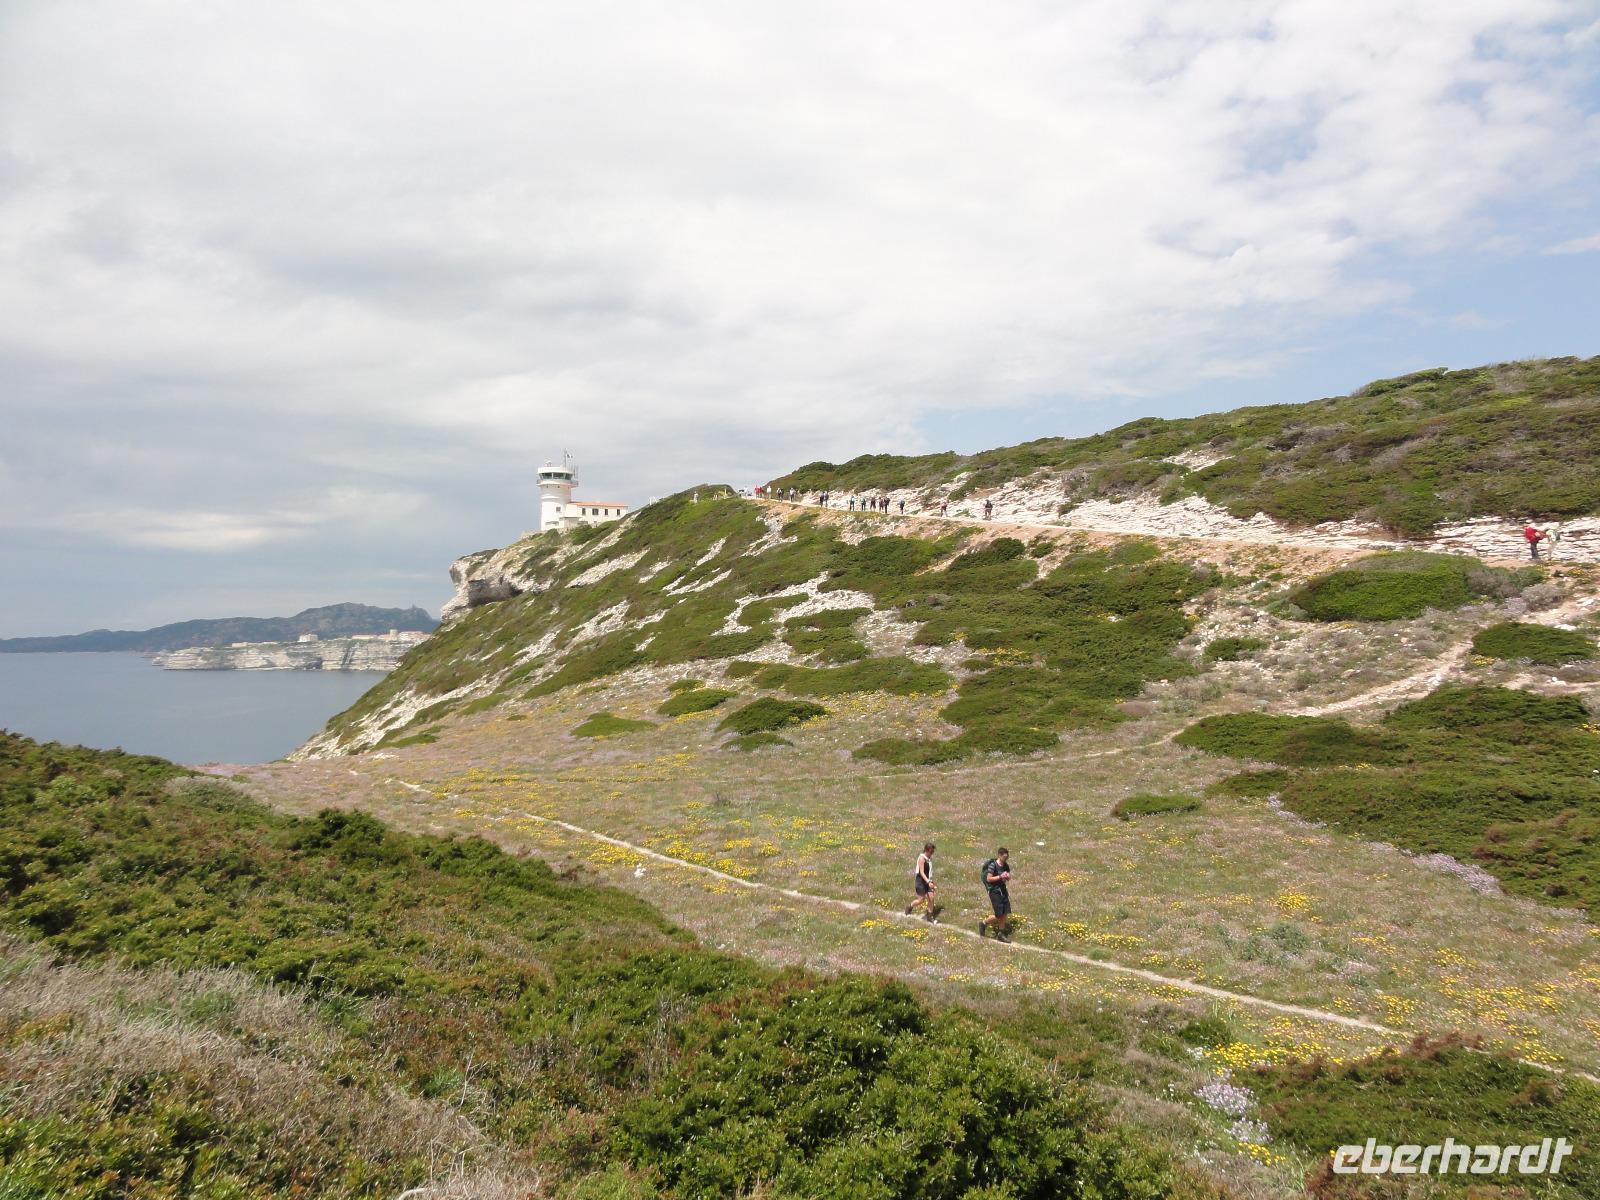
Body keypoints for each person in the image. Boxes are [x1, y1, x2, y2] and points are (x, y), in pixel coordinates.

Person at [979, 848, 1012, 942]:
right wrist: (1000, 876)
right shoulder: (993, 865)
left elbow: (1008, 877)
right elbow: (989, 879)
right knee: (999, 915)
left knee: (1005, 912)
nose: (1006, 859)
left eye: (1007, 857)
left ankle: (1001, 934)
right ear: (999, 855)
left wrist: (1008, 877)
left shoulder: (1005, 865)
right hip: (994, 891)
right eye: (1004, 857)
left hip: (1003, 890)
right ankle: (983, 923)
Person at [905, 842, 937, 920]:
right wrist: (928, 882)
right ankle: (909, 907)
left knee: (931, 897)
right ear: (926, 850)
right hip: (921, 882)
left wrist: (931, 881)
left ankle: (929, 917)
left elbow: (929, 872)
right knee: (921, 900)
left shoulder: (929, 859)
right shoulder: (922, 858)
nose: (932, 853)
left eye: (933, 852)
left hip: (928, 881)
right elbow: (922, 872)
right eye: (931, 852)